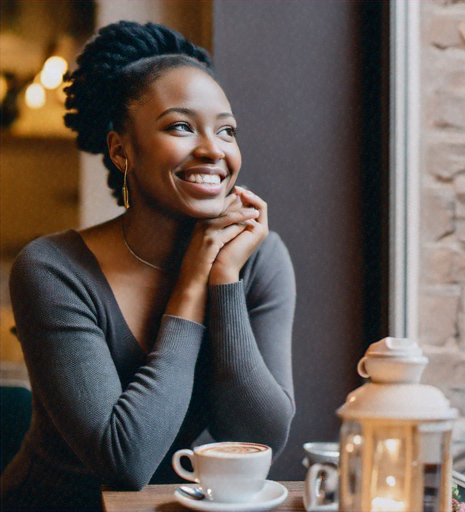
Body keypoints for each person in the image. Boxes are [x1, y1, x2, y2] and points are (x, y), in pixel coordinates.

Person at [1, 21, 296, 511]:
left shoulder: (258, 258)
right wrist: (190, 287)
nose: (213, 149)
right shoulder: (53, 270)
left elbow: (260, 440)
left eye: (226, 130)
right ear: (121, 149)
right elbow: (125, 461)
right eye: (181, 126)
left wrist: (223, 280)